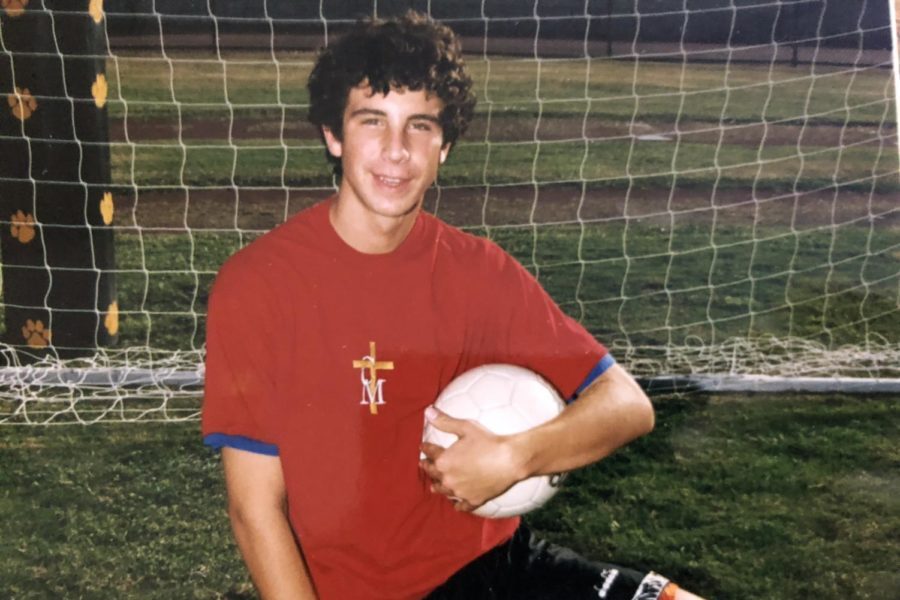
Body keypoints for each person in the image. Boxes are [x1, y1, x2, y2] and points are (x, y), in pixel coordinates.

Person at [202, 11, 705, 600]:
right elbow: (253, 509)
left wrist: (513, 457)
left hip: (499, 565)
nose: (396, 151)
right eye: (372, 121)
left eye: (420, 126)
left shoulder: (477, 270)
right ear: (333, 135)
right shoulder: (259, 285)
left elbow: (627, 405)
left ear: (444, 145)